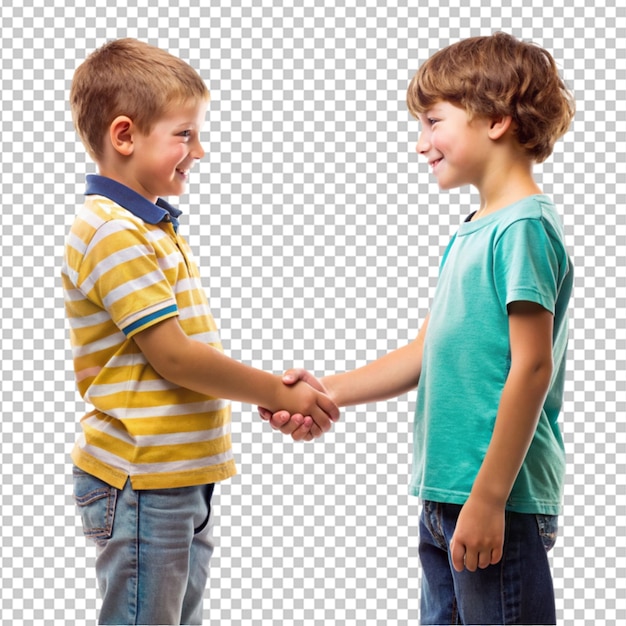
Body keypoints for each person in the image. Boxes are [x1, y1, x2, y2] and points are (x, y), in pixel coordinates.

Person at [261, 32, 575, 625]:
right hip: (445, 497)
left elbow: (532, 368)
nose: (420, 143)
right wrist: (325, 391)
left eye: (433, 121)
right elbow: (425, 352)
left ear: (497, 119)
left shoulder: (523, 229)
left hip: (493, 501)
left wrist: (488, 498)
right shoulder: (474, 228)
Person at [62, 38, 338, 626]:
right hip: (143, 476)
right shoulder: (111, 230)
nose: (200, 150)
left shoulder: (149, 226)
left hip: (180, 474)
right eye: (184, 134)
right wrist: (275, 391)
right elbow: (177, 359)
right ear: (125, 136)